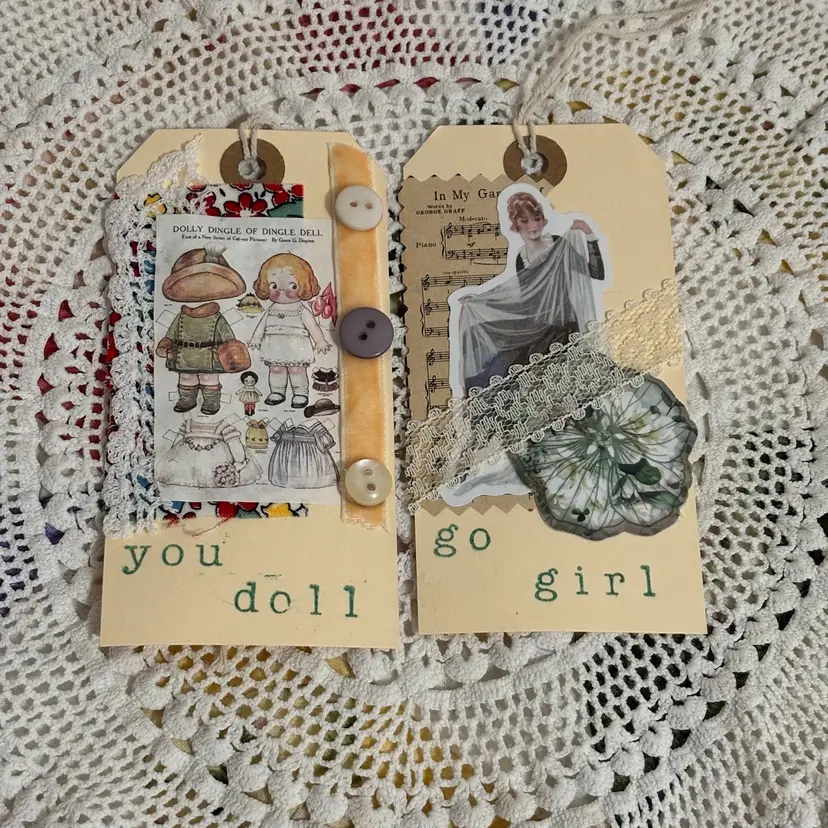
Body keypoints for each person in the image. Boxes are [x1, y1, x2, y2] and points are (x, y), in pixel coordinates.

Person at [248, 253, 331, 409]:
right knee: (275, 368)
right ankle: (277, 392)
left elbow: (313, 326)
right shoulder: (271, 309)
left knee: (297, 369)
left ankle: (300, 394)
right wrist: (256, 338)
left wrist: (320, 341)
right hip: (274, 344)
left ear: (304, 286)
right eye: (274, 286)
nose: (282, 291)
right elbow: (262, 325)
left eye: (292, 286)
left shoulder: (301, 309)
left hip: (296, 345)